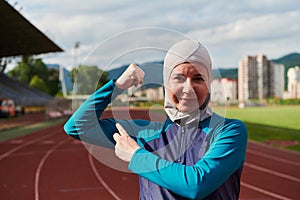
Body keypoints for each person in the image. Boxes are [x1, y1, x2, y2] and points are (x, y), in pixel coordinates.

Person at [64, 39, 248, 199]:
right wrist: (118, 86)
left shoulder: (228, 131)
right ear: (166, 84)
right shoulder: (145, 133)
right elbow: (77, 126)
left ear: (208, 84)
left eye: (198, 79)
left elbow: (196, 184)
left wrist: (136, 157)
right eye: (179, 78)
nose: (188, 88)